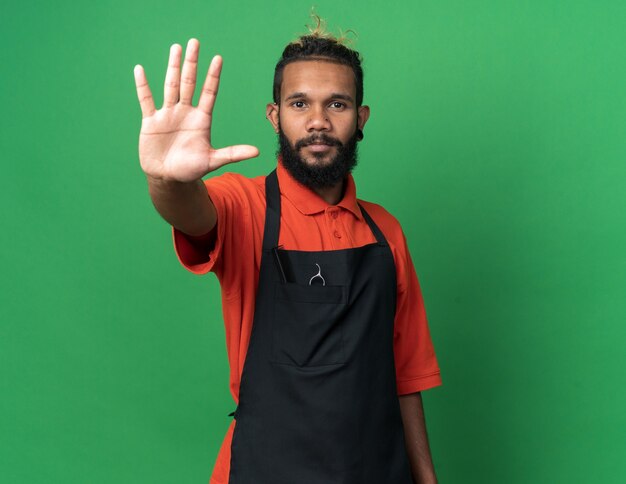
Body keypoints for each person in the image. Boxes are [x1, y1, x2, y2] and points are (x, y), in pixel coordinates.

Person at [134, 20, 442, 484]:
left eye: (336, 103)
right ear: (275, 116)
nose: (318, 120)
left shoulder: (386, 232)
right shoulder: (245, 207)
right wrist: (167, 179)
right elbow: (191, 212)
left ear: (361, 118)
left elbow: (408, 377)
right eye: (300, 103)